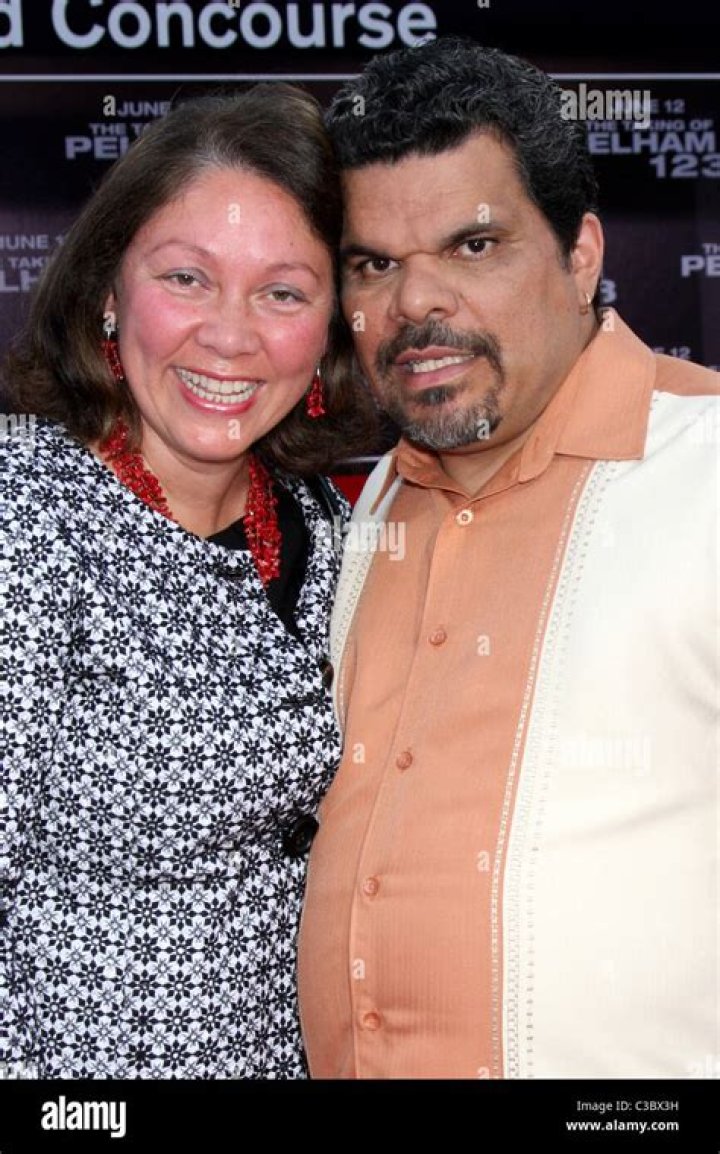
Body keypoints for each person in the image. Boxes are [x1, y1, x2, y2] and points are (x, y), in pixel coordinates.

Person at [298, 37, 720, 1079]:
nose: (416, 304)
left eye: (473, 245)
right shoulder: (377, 502)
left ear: (580, 256)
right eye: (375, 264)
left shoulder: (706, 469)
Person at [0, 83, 377, 1078]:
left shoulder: (330, 525)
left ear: (331, 327)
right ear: (108, 291)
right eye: (187, 278)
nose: (230, 335)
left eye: (283, 293)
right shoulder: (26, 509)